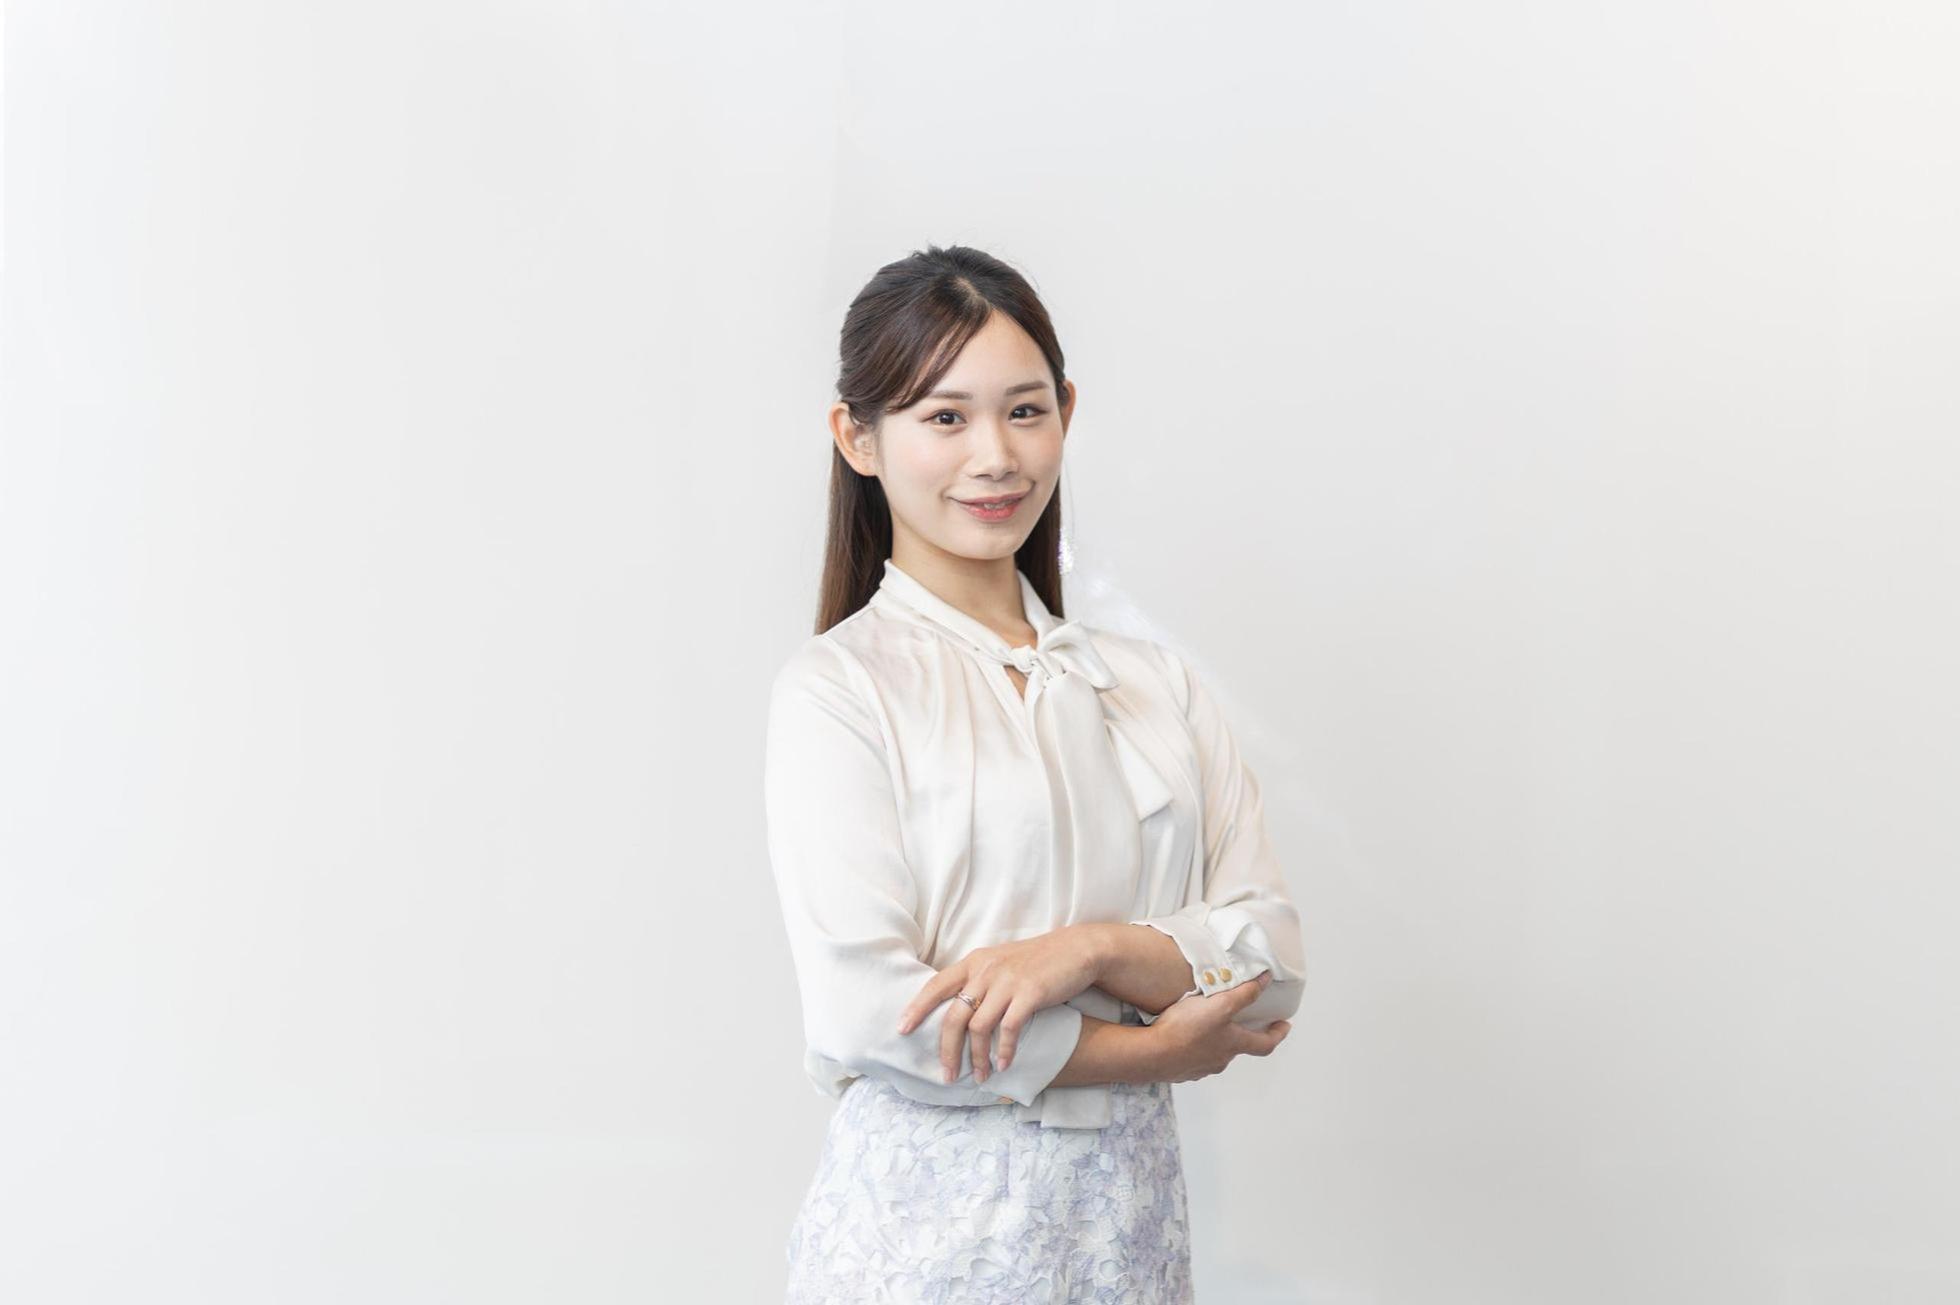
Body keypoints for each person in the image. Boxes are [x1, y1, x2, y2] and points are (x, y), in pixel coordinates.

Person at [764, 244, 1306, 1303]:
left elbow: (1273, 957)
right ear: (858, 438)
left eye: (1024, 411)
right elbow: (865, 1012)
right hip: (919, 1248)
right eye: (945, 417)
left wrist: (1085, 951)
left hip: (1125, 1240)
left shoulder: (1154, 685)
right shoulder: (839, 688)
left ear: (1066, 412)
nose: (996, 455)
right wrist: (1146, 1049)